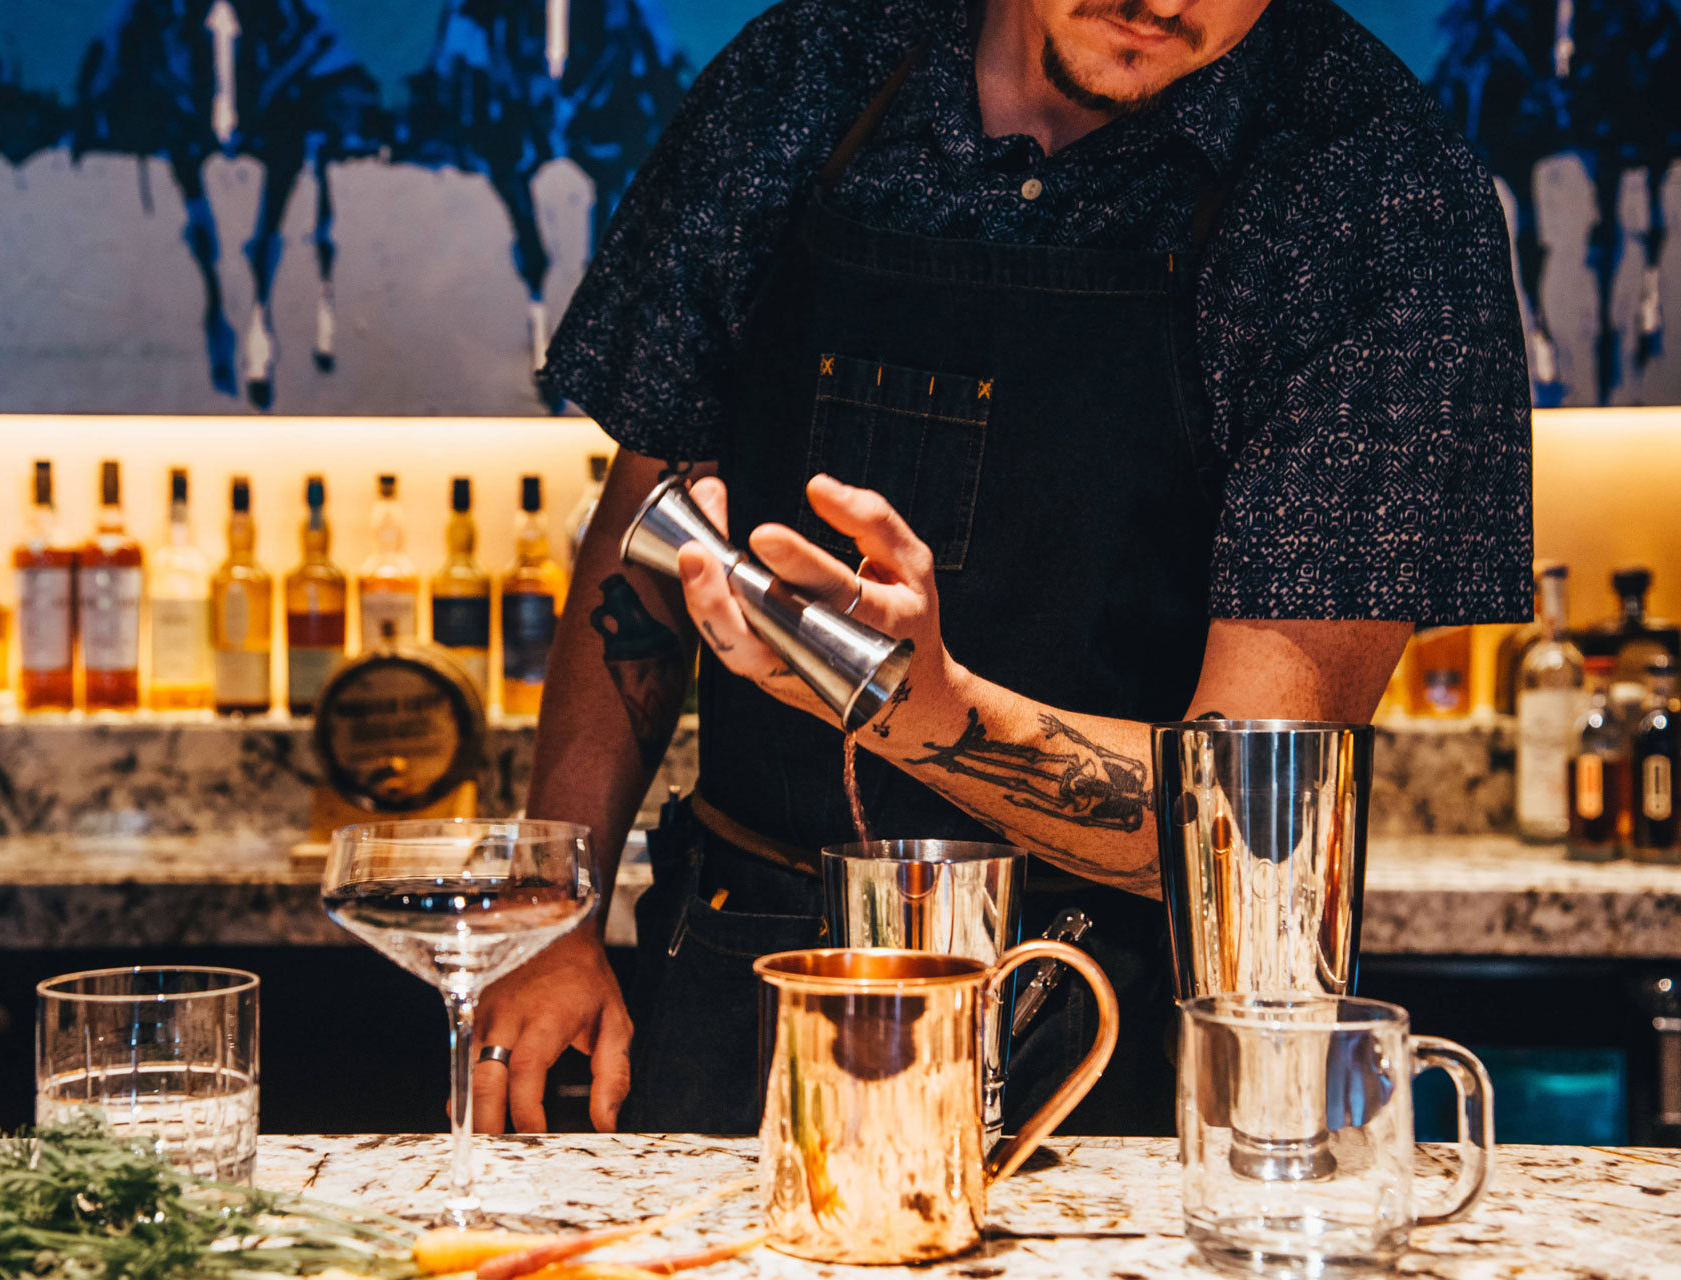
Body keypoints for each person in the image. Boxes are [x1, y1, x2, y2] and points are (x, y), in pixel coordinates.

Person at [473, 0, 1533, 1137]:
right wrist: (550, 912)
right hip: (746, 975)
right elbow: (647, 533)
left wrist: (926, 706)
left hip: (1103, 1035)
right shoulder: (813, 69)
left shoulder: (1374, 192)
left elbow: (1251, 817)